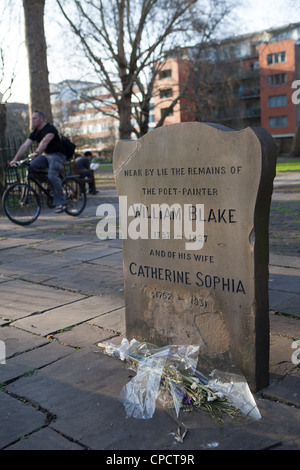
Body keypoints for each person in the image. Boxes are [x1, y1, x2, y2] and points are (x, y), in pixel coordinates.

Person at [9, 110, 67, 213]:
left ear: (41, 119)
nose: (32, 120)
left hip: (58, 155)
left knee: (52, 176)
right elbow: (25, 146)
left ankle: (61, 203)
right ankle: (51, 184)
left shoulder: (50, 129)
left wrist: (36, 152)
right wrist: (15, 159)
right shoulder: (35, 132)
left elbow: (44, 142)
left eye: (34, 118)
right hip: (46, 156)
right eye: (32, 118)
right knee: (31, 167)